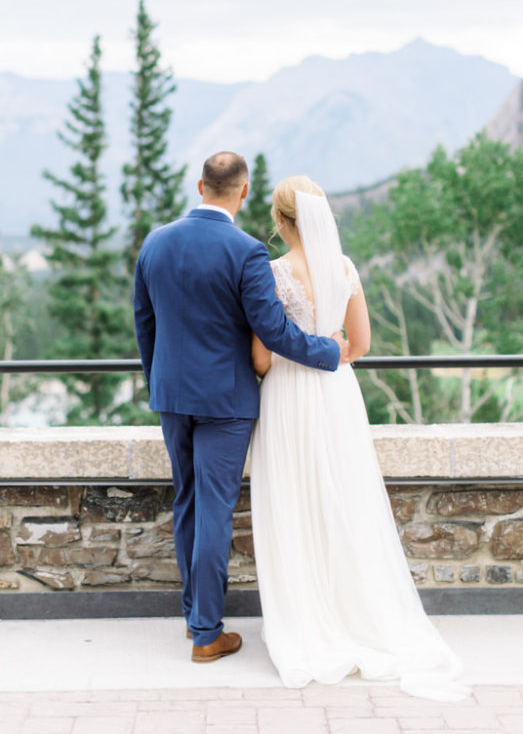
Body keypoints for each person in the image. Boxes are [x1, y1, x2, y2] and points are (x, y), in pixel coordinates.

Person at [250, 175, 468, 700]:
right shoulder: (346, 269)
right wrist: (332, 347)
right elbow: (362, 343)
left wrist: (284, 360)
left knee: (296, 504)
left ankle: (308, 617)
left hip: (287, 395)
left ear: (281, 222)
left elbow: (259, 357)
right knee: (346, 500)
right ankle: (358, 612)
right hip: (337, 393)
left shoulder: (275, 274)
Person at [134, 152, 348, 663]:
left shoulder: (155, 241)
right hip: (226, 401)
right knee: (213, 508)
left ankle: (195, 618)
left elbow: (145, 325)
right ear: (244, 191)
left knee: (186, 500)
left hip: (172, 395)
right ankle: (207, 633)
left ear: (200, 185)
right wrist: (329, 353)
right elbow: (272, 331)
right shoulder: (247, 251)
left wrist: (158, 382)